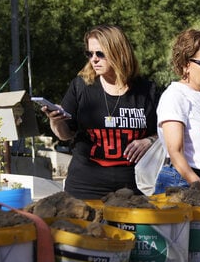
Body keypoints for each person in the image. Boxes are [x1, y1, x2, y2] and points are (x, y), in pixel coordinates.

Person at [42, 25, 160, 199]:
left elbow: (166, 134)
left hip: (135, 187)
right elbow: (65, 135)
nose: (94, 59)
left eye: (100, 54)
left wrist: (149, 140)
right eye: (90, 54)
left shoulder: (147, 91)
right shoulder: (81, 86)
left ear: (119, 52)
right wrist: (56, 120)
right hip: (85, 186)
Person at [153, 29, 200, 192]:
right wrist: (195, 182)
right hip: (184, 182)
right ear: (185, 64)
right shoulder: (175, 96)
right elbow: (175, 151)